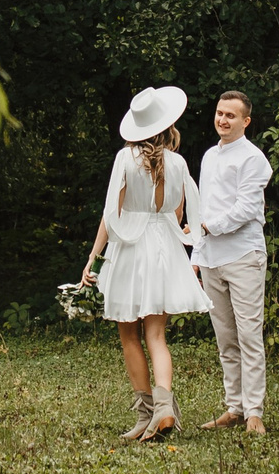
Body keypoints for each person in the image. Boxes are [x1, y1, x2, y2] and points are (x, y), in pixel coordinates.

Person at [77, 85, 210, 441]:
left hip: (131, 248)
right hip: (164, 248)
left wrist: (94, 258)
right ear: (167, 125)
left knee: (129, 336)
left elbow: (111, 214)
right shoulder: (178, 163)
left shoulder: (125, 159)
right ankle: (163, 409)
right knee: (157, 335)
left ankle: (147, 413)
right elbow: (179, 214)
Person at [192, 89, 273, 435]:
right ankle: (234, 408)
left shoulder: (254, 159)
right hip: (212, 258)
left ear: (246, 121)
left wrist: (207, 227)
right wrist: (197, 254)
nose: (222, 120)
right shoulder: (210, 156)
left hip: (243, 256)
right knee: (225, 338)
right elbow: (202, 209)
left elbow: (246, 209)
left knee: (249, 335)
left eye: (231, 115)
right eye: (220, 113)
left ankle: (254, 412)